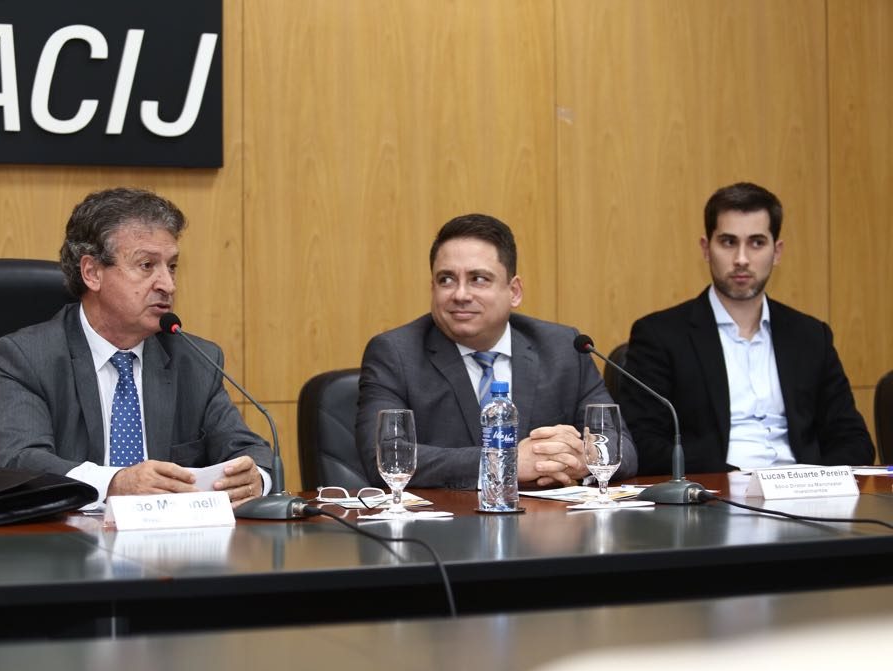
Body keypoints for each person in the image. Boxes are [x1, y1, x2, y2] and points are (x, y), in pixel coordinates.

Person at [0, 187, 273, 505]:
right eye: (147, 265)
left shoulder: (194, 360)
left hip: (175, 536)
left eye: (172, 266)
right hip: (68, 534)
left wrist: (256, 478)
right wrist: (114, 483)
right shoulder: (28, 357)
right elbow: (21, 460)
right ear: (92, 273)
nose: (168, 285)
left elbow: (249, 451)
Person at [356, 213, 637, 489]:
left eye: (478, 279)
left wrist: (583, 458)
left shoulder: (563, 347)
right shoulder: (396, 353)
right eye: (446, 279)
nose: (460, 294)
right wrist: (505, 461)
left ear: (514, 291)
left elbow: (622, 446)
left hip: (546, 517)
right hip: (448, 517)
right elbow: (384, 455)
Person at [620, 182, 874, 475]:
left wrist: (813, 480)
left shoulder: (810, 336)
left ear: (777, 252)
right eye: (728, 242)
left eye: (757, 243)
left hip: (802, 491)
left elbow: (853, 439)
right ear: (706, 248)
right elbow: (644, 443)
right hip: (714, 493)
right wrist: (732, 480)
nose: (741, 259)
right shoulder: (660, 335)